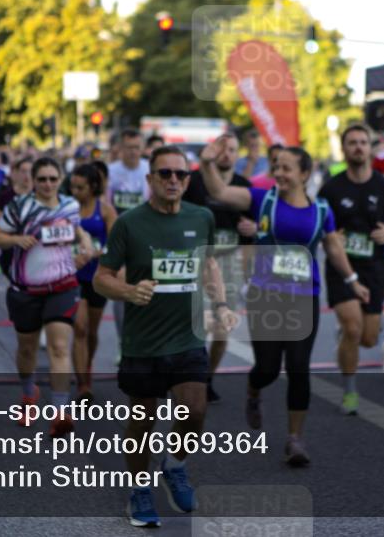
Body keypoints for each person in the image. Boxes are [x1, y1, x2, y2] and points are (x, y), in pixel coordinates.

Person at [199, 136, 370, 466]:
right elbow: (220, 192)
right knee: (266, 368)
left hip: (304, 298)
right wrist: (207, 163)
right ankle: (253, 389)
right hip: (266, 296)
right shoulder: (263, 200)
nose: (278, 172)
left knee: (298, 368)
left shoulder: (321, 210)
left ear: (305, 174)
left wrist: (353, 282)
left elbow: (333, 248)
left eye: (286, 168)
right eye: (276, 167)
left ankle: (295, 438)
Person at [94, 145, 236, 528]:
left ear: (189, 180)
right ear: (150, 179)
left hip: (186, 338)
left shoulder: (201, 216)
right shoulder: (129, 223)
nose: (174, 180)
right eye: (165, 173)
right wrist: (128, 291)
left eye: (181, 174)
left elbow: (208, 265)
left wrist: (220, 305)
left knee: (196, 410)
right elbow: (101, 278)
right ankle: (139, 490)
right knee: (143, 422)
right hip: (144, 343)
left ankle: (174, 465)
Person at [0, 157, 94, 438]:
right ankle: (28, 394)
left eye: (53, 178)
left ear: (61, 179)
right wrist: (15, 241)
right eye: (42, 179)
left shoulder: (69, 206)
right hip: (25, 290)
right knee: (27, 350)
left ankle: (61, 413)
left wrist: (84, 243)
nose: (48, 184)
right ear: (33, 181)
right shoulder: (20, 206)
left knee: (60, 348)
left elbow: (76, 229)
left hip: (62, 285)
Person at [319, 124, 384, 414]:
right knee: (353, 327)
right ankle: (350, 390)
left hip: (374, 268)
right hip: (341, 268)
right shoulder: (331, 187)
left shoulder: (383, 186)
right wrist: (328, 234)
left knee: (367, 338)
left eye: (362, 142)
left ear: (370, 148)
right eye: (352, 142)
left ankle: (346, 339)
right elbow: (316, 220)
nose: (358, 147)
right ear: (343, 149)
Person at [182, 132, 254, 403]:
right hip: (197, 260)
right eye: (222, 149)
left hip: (229, 262)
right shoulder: (196, 182)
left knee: (223, 330)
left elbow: (254, 232)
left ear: (238, 154)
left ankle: (208, 377)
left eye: (232, 150)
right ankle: (188, 378)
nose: (227, 154)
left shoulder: (243, 186)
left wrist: (254, 228)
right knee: (195, 326)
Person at [69, 163, 117, 402]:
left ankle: (86, 366)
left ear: (93, 187)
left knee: (92, 332)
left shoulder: (106, 210)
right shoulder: (66, 209)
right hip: (72, 277)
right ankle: (83, 385)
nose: (75, 191)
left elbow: (117, 244)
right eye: (73, 187)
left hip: (97, 277)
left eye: (81, 187)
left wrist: (95, 253)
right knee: (79, 327)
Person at [107, 129, 152, 350]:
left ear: (142, 148)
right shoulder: (111, 172)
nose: (133, 152)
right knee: (122, 289)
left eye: (137, 147)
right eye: (129, 147)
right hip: (120, 238)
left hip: (145, 238)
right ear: (120, 149)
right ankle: (123, 341)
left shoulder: (149, 170)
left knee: (146, 289)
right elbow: (106, 207)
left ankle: (144, 341)